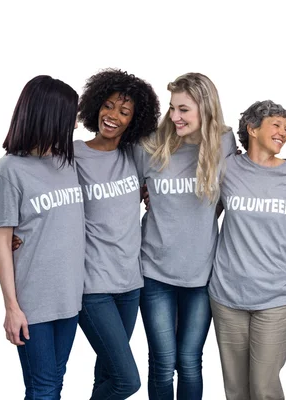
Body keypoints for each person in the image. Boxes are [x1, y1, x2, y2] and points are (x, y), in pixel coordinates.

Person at [134, 72, 236, 400]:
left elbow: (228, 196)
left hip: (201, 274)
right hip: (154, 272)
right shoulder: (149, 144)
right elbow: (123, 195)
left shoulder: (224, 142)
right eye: (172, 108)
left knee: (190, 362)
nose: (175, 117)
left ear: (205, 109)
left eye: (184, 110)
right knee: (163, 362)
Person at [0, 75, 85, 399]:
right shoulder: (9, 170)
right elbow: (2, 242)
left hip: (70, 299)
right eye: (71, 116)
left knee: (52, 384)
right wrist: (11, 308)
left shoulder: (66, 163)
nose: (75, 124)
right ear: (51, 116)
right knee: (45, 389)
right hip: (34, 304)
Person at [208, 100, 286, 400]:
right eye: (275, 125)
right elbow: (205, 214)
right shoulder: (227, 168)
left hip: (274, 298)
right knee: (236, 390)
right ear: (252, 129)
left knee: (264, 390)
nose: (283, 132)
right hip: (227, 295)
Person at [74, 68, 160, 399]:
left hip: (130, 284)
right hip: (92, 287)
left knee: (108, 375)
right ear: (96, 106)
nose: (113, 116)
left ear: (133, 120)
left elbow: (171, 167)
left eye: (124, 112)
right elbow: (35, 183)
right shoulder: (75, 155)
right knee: (127, 381)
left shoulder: (133, 155)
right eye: (109, 106)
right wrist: (18, 231)